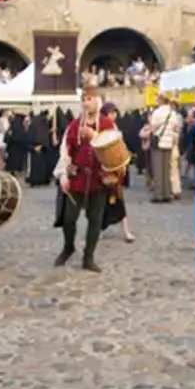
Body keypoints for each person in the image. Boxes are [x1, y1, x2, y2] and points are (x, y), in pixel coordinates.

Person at [55, 87, 117, 272]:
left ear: (98, 101)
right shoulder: (74, 125)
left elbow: (114, 148)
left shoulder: (107, 125)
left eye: (89, 99)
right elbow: (65, 152)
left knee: (95, 219)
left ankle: (88, 257)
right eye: (84, 99)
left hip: (99, 179)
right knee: (69, 218)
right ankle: (68, 247)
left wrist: (94, 136)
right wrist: (63, 175)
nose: (85, 102)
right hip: (77, 177)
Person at [99, 102, 136, 243]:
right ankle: (100, 228)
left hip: (117, 168)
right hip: (106, 168)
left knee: (119, 198)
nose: (114, 116)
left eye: (115, 113)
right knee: (103, 200)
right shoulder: (102, 127)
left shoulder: (115, 127)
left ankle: (126, 230)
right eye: (111, 113)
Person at [147, 94, 180, 203]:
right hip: (169, 142)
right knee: (167, 169)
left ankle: (159, 194)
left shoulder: (157, 112)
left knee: (158, 169)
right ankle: (167, 193)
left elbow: (152, 128)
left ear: (160, 100)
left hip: (159, 142)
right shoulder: (172, 113)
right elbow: (176, 127)